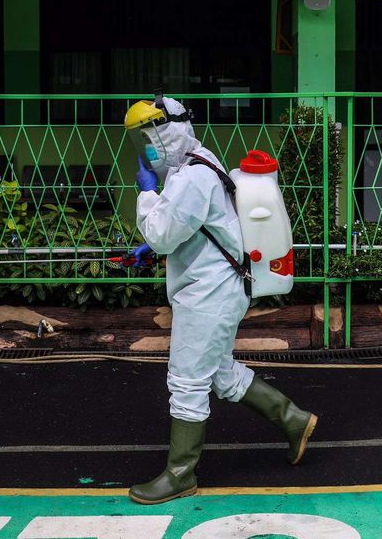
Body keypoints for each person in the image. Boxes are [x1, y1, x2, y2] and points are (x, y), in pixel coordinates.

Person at [123, 95, 318, 505]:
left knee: (187, 380)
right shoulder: (199, 162)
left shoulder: (190, 177)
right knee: (217, 372)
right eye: (141, 139)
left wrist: (146, 195)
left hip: (209, 291)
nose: (147, 147)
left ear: (171, 131)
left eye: (150, 136)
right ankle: (294, 420)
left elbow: (161, 234)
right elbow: (190, 226)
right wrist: (157, 233)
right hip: (216, 285)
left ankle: (180, 474)